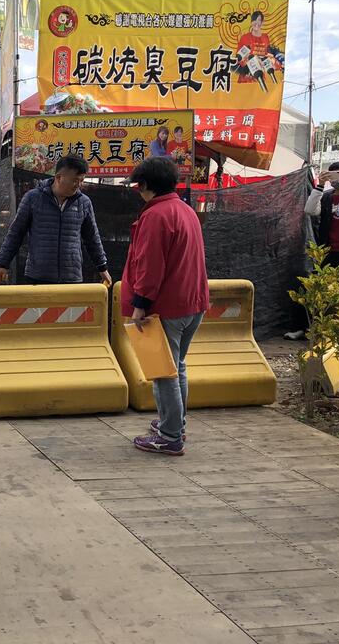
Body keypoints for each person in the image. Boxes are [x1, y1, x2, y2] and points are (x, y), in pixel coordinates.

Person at [123, 156, 209, 456]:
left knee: (163, 372)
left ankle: (170, 435)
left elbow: (150, 264)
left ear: (146, 185)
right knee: (177, 367)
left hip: (165, 306)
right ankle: (175, 424)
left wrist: (140, 304)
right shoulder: (186, 210)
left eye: (138, 185)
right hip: (192, 302)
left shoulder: (155, 215)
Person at [0, 155, 112, 285]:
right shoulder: (33, 198)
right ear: (59, 177)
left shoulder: (84, 203)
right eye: (75, 180)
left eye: (81, 180)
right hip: (37, 276)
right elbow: (16, 233)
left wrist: (102, 267)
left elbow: (92, 238)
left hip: (71, 278)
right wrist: (3, 263)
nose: (78, 185)